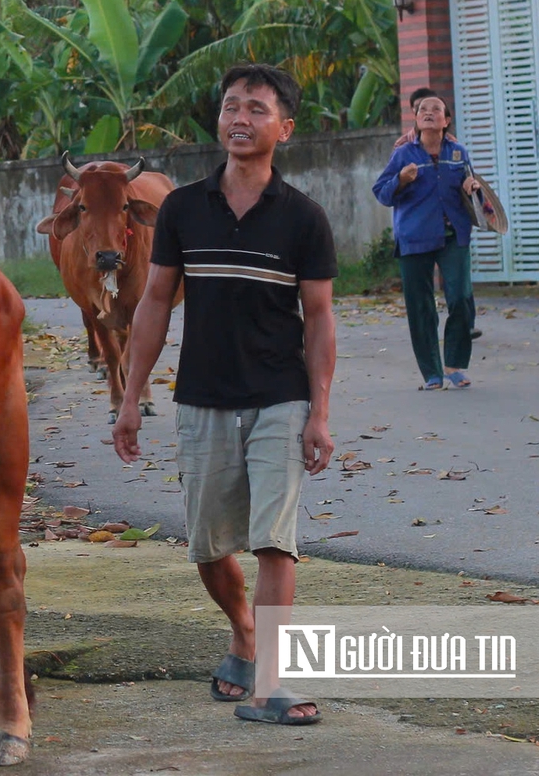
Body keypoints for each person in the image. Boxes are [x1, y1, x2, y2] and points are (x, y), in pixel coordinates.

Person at [111, 63, 336, 726]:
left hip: (280, 396)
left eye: (257, 110)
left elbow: (319, 318)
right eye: (232, 107)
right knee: (209, 546)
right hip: (203, 397)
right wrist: (131, 396)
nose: (241, 119)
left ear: (284, 129)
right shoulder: (184, 208)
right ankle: (242, 631)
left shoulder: (303, 218)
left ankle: (271, 679)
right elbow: (155, 302)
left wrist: (320, 411)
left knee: (274, 539)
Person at [372, 88, 482, 390]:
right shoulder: (403, 153)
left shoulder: (459, 152)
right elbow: (381, 192)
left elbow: (471, 187)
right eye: (423, 110)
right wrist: (401, 180)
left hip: (454, 235)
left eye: (436, 109)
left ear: (446, 120)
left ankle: (454, 364)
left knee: (460, 298)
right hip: (414, 237)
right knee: (421, 306)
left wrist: (472, 185)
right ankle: (432, 372)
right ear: (416, 121)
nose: (429, 113)